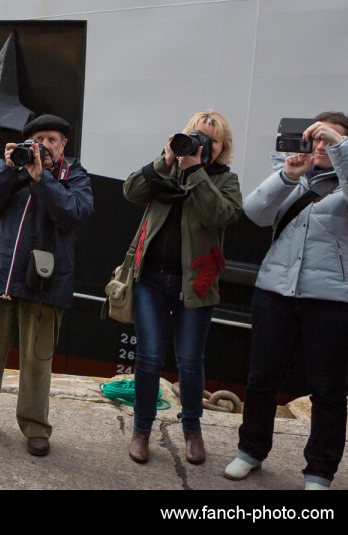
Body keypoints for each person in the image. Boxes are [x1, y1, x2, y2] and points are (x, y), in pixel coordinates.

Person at [224, 113, 348, 490]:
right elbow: (255, 213)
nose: (321, 146)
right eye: (316, 138)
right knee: (262, 379)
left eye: (330, 140)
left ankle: (320, 471)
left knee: (327, 389)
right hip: (276, 293)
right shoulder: (290, 174)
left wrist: (339, 144)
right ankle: (251, 451)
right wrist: (287, 177)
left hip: (335, 301)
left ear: (347, 146)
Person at [0, 114, 93, 456]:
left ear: (63, 146)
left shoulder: (74, 176)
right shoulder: (13, 168)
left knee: (36, 358)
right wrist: (7, 169)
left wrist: (42, 179)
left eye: (52, 139)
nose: (44, 145)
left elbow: (74, 214)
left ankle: (35, 427)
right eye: (38, 139)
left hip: (44, 282)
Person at [121, 110, 242, 465]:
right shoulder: (166, 169)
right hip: (151, 280)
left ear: (223, 148)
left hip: (196, 283)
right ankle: (141, 431)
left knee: (190, 361)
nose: (203, 143)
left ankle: (192, 431)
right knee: (149, 358)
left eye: (212, 139)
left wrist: (196, 171)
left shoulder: (224, 180)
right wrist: (167, 160)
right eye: (196, 135)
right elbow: (131, 190)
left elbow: (221, 215)